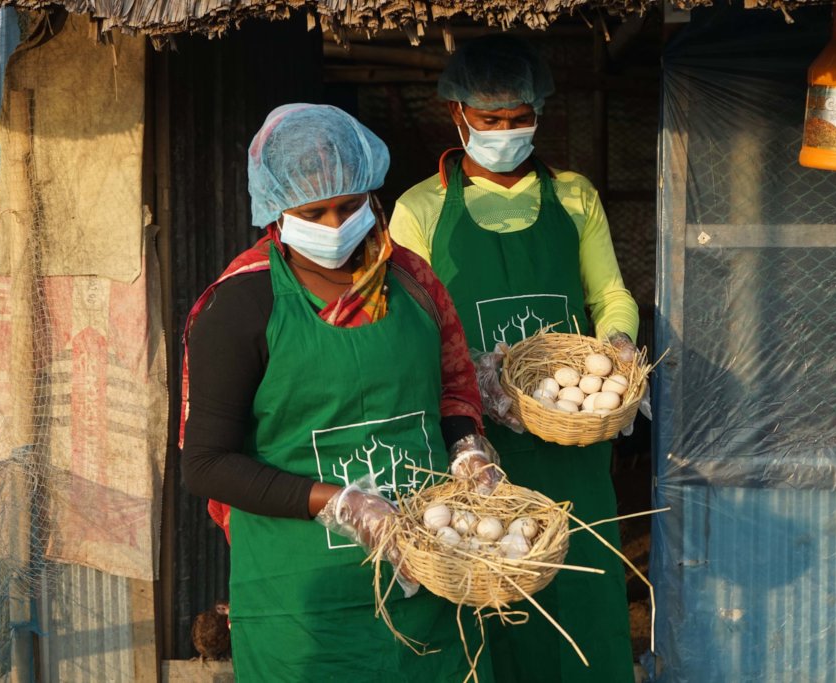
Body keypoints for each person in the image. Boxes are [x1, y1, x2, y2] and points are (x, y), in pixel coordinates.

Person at [179, 103, 500, 682]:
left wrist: (469, 448)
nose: (333, 226)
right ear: (276, 207)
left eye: (349, 206)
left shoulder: (412, 281)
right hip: (304, 609)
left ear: (372, 195)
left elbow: (454, 387)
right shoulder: (241, 306)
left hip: (427, 584)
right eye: (313, 210)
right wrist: (340, 502)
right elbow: (205, 464)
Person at [389, 35, 639, 683]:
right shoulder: (421, 208)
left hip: (569, 445)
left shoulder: (574, 197)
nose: (506, 131)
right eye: (491, 120)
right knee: (487, 599)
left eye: (518, 119)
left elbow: (609, 293)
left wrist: (614, 349)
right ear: (458, 115)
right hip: (475, 450)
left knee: (582, 601)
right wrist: (476, 388)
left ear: (539, 113)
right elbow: (408, 329)